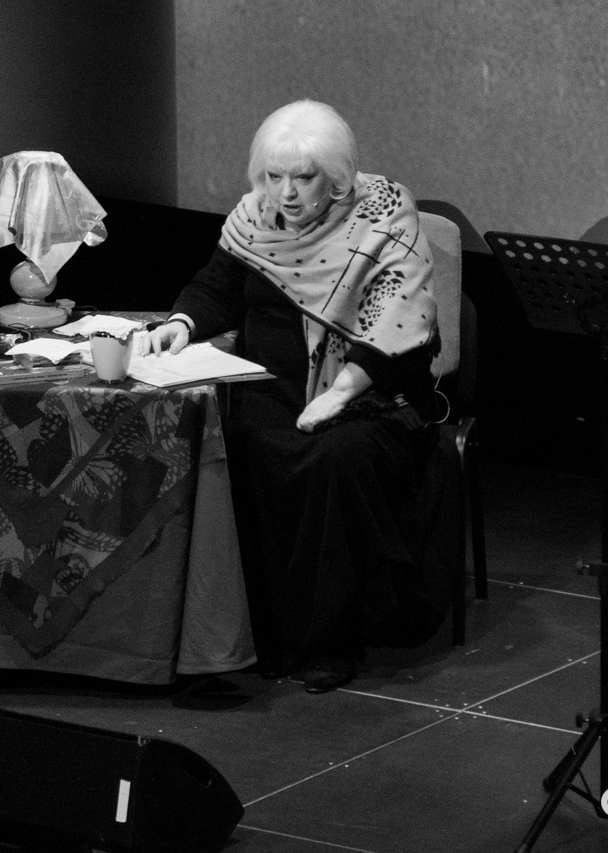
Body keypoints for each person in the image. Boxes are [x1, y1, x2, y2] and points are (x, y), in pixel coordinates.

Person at [146, 100, 446, 693]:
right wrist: (182, 323)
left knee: (337, 460)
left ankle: (330, 642)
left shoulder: (384, 215)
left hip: (370, 394)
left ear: (336, 179)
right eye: (273, 176)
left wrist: (342, 391)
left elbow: (402, 316)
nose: (284, 193)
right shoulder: (254, 218)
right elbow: (216, 289)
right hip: (273, 388)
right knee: (236, 443)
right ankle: (264, 634)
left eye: (303, 178)